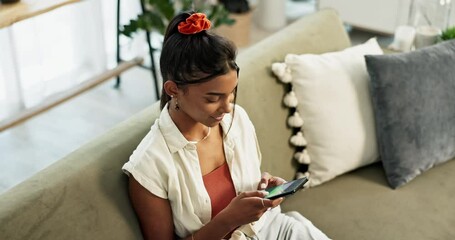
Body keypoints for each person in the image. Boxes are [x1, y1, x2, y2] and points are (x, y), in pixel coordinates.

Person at [122, 11, 330, 240]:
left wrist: (263, 191)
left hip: (276, 230)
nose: (228, 107)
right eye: (213, 99)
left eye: (231, 94)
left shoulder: (236, 119)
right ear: (173, 90)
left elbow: (239, 184)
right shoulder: (149, 167)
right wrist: (229, 219)